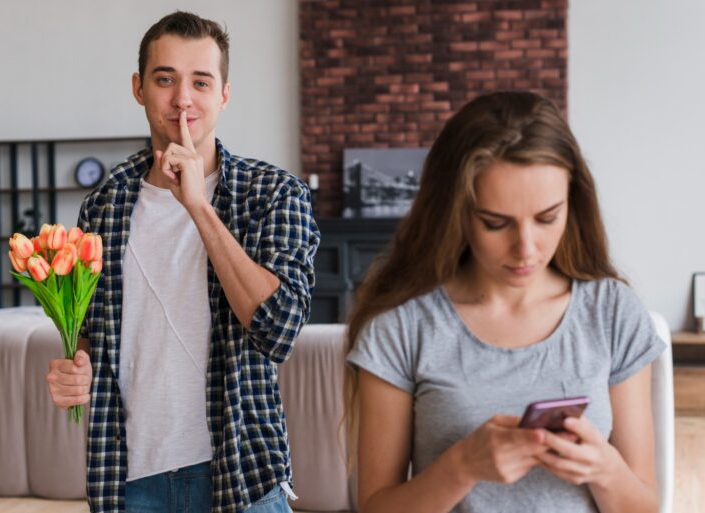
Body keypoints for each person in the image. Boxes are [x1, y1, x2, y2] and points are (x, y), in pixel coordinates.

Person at [45, 11, 319, 513]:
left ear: (224, 94)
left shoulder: (275, 193)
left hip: (242, 475)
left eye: (200, 81)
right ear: (139, 88)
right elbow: (89, 330)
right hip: (129, 481)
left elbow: (278, 331)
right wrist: (75, 367)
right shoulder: (103, 203)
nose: (182, 98)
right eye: (165, 78)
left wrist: (198, 206)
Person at [345, 91, 665, 513]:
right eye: (496, 223)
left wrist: (603, 469)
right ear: (456, 212)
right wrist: (460, 466)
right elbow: (374, 507)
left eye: (548, 217)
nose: (526, 249)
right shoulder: (401, 326)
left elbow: (645, 506)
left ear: (574, 202)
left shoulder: (612, 312)